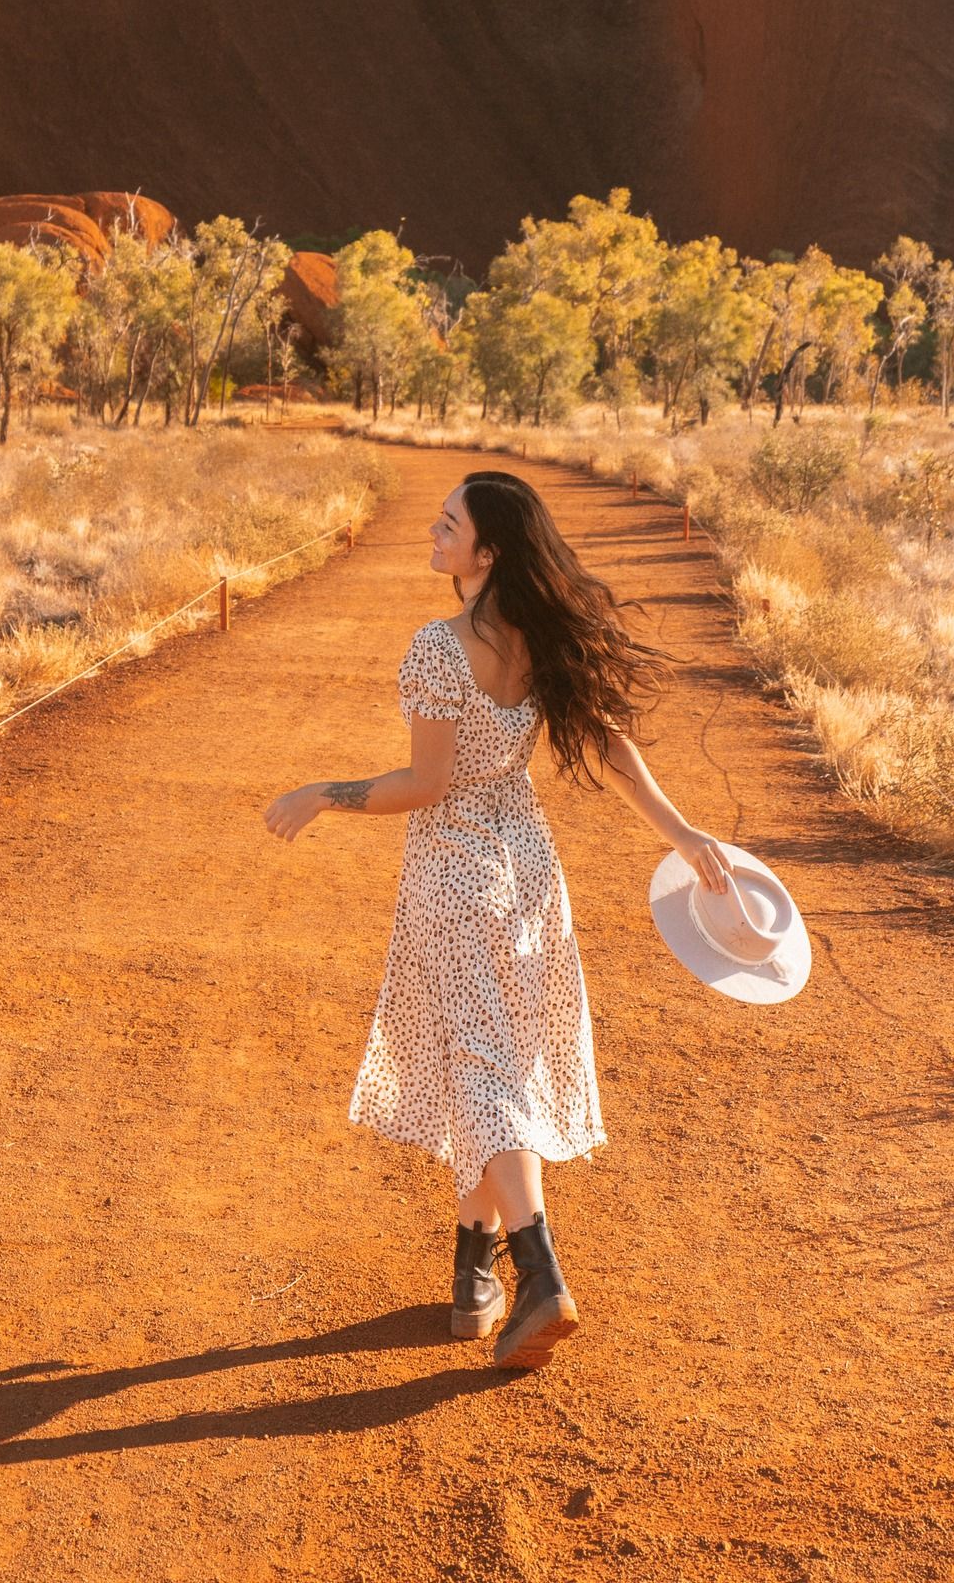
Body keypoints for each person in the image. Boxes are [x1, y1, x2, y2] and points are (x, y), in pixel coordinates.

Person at [263, 468, 733, 1371]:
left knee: (480, 1067)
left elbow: (426, 786)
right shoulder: (540, 637)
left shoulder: (439, 649)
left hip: (456, 873)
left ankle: (539, 1271)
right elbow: (609, 743)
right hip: (528, 868)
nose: (432, 535)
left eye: (449, 526)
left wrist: (321, 792)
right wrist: (679, 832)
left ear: (489, 552)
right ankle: (474, 1273)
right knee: (487, 1057)